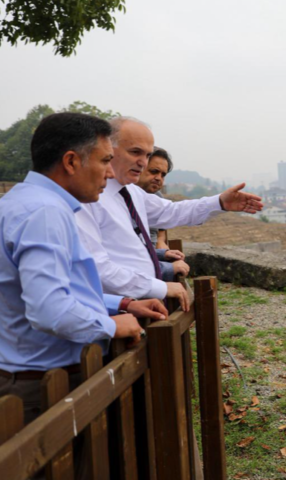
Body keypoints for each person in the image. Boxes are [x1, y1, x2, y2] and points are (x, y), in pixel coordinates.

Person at [0, 113, 168, 426]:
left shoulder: (22, 202)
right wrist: (110, 326)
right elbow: (49, 309)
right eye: (104, 160)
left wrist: (122, 303)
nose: (109, 172)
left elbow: (52, 290)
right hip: (43, 384)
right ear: (71, 161)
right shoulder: (45, 213)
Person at [76, 117, 263, 311]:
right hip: (117, 309)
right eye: (135, 152)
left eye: (147, 155)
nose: (142, 162)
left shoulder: (130, 192)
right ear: (107, 149)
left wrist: (219, 202)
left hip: (141, 302)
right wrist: (158, 287)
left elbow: (171, 211)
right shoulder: (87, 197)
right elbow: (96, 266)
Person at [136, 147, 188, 281]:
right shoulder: (123, 198)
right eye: (154, 171)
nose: (158, 178)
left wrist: (161, 244)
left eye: (163, 175)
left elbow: (162, 227)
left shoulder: (157, 197)